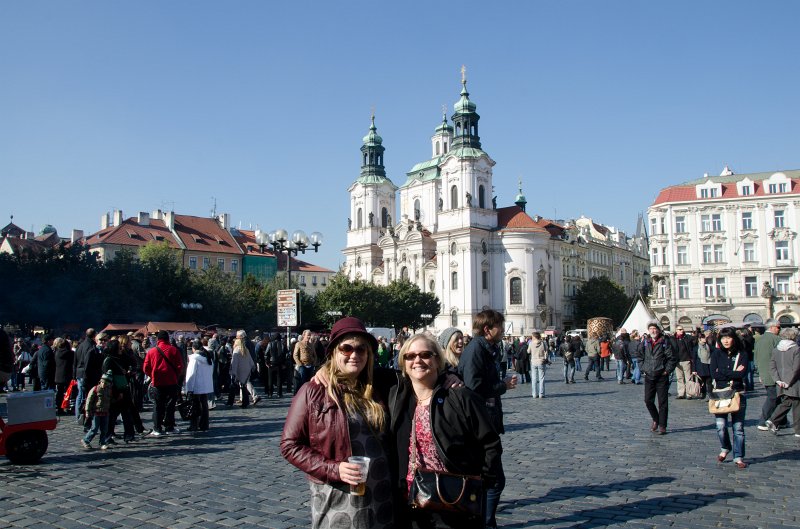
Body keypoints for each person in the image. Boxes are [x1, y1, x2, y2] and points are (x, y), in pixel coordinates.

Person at [280, 317, 393, 529]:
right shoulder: (313, 391)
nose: (355, 355)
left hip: (382, 500)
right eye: (346, 348)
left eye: (361, 349)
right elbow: (289, 445)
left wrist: (449, 380)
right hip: (338, 499)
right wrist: (334, 469)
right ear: (333, 352)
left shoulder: (378, 386)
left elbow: (419, 372)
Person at [389, 333, 502, 529]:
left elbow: (490, 443)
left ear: (437, 359)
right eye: (410, 356)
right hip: (410, 502)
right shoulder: (397, 396)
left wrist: (479, 484)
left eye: (425, 354)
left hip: (453, 502)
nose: (417, 360)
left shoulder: (460, 397)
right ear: (403, 361)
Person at [457, 309, 516, 529]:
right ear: (487, 329)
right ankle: (486, 523)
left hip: (486, 419)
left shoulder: (485, 348)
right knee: (494, 480)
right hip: (479, 424)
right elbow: (474, 387)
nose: (502, 329)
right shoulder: (476, 350)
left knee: (487, 478)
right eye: (499, 325)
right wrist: (503, 386)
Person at [710, 326, 749, 468]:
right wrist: (731, 372)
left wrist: (723, 371)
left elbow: (742, 374)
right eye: (723, 338)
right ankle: (725, 447)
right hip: (720, 393)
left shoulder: (742, 354)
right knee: (720, 426)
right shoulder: (716, 354)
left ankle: (738, 456)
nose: (726, 341)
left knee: (738, 427)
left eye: (728, 337)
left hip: (737, 393)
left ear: (734, 338)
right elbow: (714, 374)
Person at [634, 321, 677, 435]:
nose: (653, 331)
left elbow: (671, 358)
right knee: (648, 400)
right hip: (649, 375)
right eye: (651, 328)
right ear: (648, 330)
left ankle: (662, 425)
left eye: (655, 328)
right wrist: (643, 368)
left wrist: (667, 370)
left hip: (661, 375)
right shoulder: (645, 342)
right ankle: (655, 419)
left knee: (663, 402)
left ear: (658, 330)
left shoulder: (665, 342)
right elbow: (639, 356)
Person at [143, 330, 184, 436]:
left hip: (157, 381)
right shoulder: (174, 350)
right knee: (170, 405)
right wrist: (175, 375)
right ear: (168, 339)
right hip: (171, 381)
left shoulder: (152, 351)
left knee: (157, 405)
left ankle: (157, 428)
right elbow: (180, 366)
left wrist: (152, 376)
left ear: (158, 339)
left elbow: (146, 368)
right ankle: (169, 426)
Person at [765, 327, 800, 438]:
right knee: (797, 406)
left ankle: (773, 421)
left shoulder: (776, 350)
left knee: (787, 402)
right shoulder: (796, 349)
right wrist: (789, 382)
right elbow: (796, 368)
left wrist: (778, 380)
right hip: (795, 382)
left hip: (781, 382)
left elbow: (772, 367)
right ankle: (797, 430)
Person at [754, 319, 783, 431]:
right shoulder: (776, 339)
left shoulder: (760, 339)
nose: (779, 329)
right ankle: (763, 421)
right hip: (774, 373)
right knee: (773, 398)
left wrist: (759, 372)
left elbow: (755, 356)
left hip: (764, 372)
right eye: (778, 327)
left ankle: (782, 420)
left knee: (778, 398)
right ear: (772, 327)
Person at [185, 339, 214, 432]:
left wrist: (188, 388)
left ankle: (194, 425)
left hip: (196, 386)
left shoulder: (194, 359)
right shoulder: (208, 358)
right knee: (204, 405)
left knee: (194, 406)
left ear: (193, 348)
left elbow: (191, 374)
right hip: (205, 386)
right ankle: (204, 424)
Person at [81, 371, 114, 450]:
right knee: (94, 428)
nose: (103, 384)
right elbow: (89, 400)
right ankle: (86, 440)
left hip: (105, 412)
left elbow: (110, 400)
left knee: (104, 429)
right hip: (96, 412)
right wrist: (88, 411)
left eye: (106, 383)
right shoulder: (95, 389)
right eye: (102, 382)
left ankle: (102, 442)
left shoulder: (109, 390)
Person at [228, 330, 257, 408]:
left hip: (239, 370)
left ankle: (231, 401)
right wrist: (253, 366)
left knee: (235, 386)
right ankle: (245, 401)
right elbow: (251, 359)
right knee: (244, 386)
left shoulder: (236, 350)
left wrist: (232, 372)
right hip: (247, 369)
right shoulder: (246, 349)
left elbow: (234, 362)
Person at [672, 325, 695, 399]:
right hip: (677, 361)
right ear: (676, 330)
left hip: (686, 360)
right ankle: (681, 393)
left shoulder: (687, 337)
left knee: (688, 378)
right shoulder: (673, 338)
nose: (681, 331)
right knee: (679, 378)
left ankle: (689, 394)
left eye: (682, 329)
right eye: (679, 329)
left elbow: (694, 339)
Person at [692, 332, 713, 400]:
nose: (705, 339)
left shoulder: (709, 346)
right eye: (703, 338)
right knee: (702, 382)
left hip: (708, 366)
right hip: (700, 366)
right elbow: (694, 359)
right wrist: (694, 370)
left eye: (705, 338)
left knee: (709, 381)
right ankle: (703, 394)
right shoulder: (696, 348)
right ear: (699, 339)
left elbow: (715, 352)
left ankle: (710, 394)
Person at [529, 332, 548, 398]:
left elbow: (528, 351)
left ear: (534, 337)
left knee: (534, 379)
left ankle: (534, 394)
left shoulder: (531, 343)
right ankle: (541, 394)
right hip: (541, 361)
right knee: (541, 378)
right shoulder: (543, 343)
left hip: (533, 362)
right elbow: (546, 351)